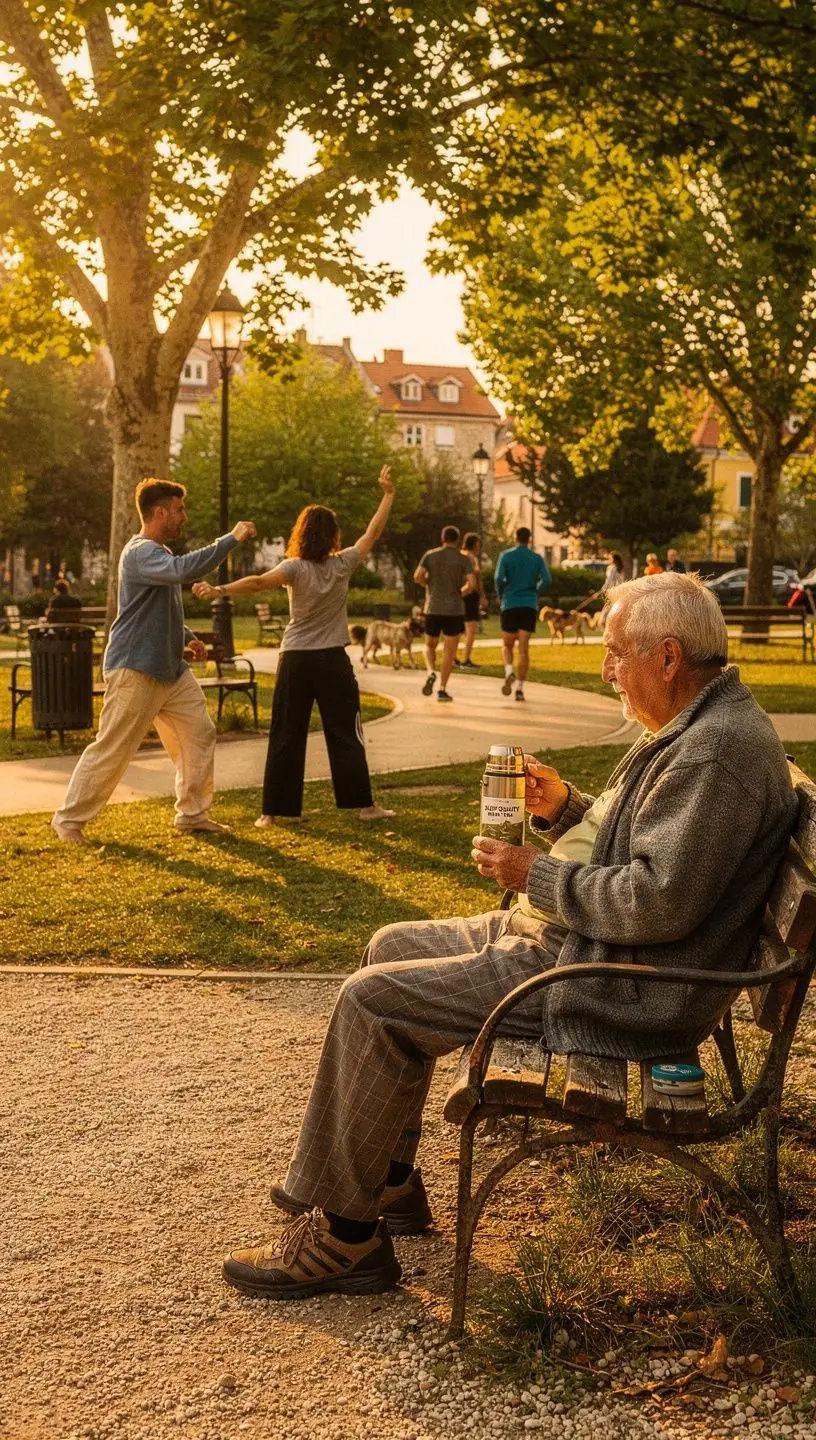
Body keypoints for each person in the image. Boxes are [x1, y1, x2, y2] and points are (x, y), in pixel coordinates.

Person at [221, 572, 797, 1300]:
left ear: (670, 656)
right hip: (591, 944)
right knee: (388, 946)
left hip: (612, 980)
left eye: (618, 654)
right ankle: (387, 1181)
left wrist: (535, 873)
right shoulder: (699, 726)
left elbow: (659, 901)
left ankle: (343, 1233)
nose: (608, 670)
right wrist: (565, 809)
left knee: (373, 1000)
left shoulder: (713, 752)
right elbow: (648, 853)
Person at [51, 479, 256, 845]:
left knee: (199, 732)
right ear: (160, 512)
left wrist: (188, 639)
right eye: (179, 510)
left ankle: (192, 815)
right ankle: (68, 820)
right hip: (135, 668)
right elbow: (183, 571)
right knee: (113, 747)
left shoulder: (157, 555)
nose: (184, 518)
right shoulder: (141, 552)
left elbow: (158, 612)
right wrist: (231, 538)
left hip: (170, 672)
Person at [194, 468, 396, 827]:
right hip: (333, 659)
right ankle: (365, 807)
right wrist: (387, 495)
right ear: (332, 535)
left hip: (297, 660)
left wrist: (220, 590)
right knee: (346, 731)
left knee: (286, 733)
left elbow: (257, 582)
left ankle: (270, 814)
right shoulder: (343, 563)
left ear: (301, 534)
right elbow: (373, 532)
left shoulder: (294, 567)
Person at [414, 526, 476, 702]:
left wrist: (429, 585)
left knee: (429, 645)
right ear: (457, 540)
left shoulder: (430, 555)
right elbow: (471, 583)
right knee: (449, 650)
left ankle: (430, 671)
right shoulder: (463, 559)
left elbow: (417, 576)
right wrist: (460, 592)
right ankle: (442, 689)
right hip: (454, 610)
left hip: (433, 607)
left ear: (442, 538)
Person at [494, 526, 550, 703]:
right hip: (529, 605)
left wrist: (501, 593)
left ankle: (509, 671)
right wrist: (536, 590)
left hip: (510, 603)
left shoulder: (506, 556)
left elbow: (498, 579)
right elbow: (547, 579)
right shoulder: (536, 558)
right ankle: (519, 689)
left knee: (506, 645)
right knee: (524, 650)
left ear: (515, 537)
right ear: (529, 539)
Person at [455, 532, 486, 670]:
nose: (479, 546)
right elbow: (476, 580)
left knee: (459, 629)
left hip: (461, 595)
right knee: (470, 629)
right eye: (478, 543)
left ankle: (454, 657)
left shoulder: (461, 556)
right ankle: (465, 659)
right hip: (469, 595)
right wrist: (482, 596)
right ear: (473, 544)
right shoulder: (470, 558)